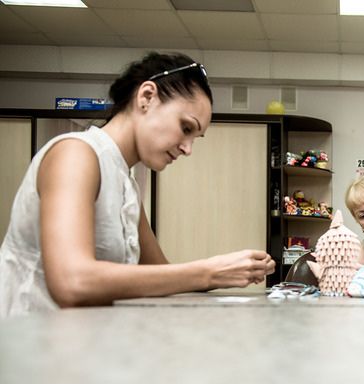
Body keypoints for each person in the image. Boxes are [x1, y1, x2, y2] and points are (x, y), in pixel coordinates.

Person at [0, 52, 275, 318]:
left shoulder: (126, 183)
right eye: (186, 128)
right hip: (28, 339)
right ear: (147, 97)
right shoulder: (76, 154)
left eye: (195, 138)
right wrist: (209, 272)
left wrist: (231, 270)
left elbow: (162, 276)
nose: (187, 148)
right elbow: (72, 282)